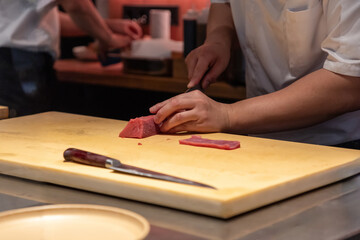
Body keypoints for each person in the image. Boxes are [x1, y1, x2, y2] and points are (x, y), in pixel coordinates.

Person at [150, 0, 360, 149]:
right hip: (259, 138)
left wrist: (227, 115)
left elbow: (350, 83)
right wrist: (218, 39)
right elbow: (223, 3)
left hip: (336, 146)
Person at [0, 0, 142, 117]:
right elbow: (75, 3)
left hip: (13, 60)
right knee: (26, 132)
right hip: (20, 61)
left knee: (17, 131)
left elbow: (47, 20)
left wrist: (107, 26)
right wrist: (107, 38)